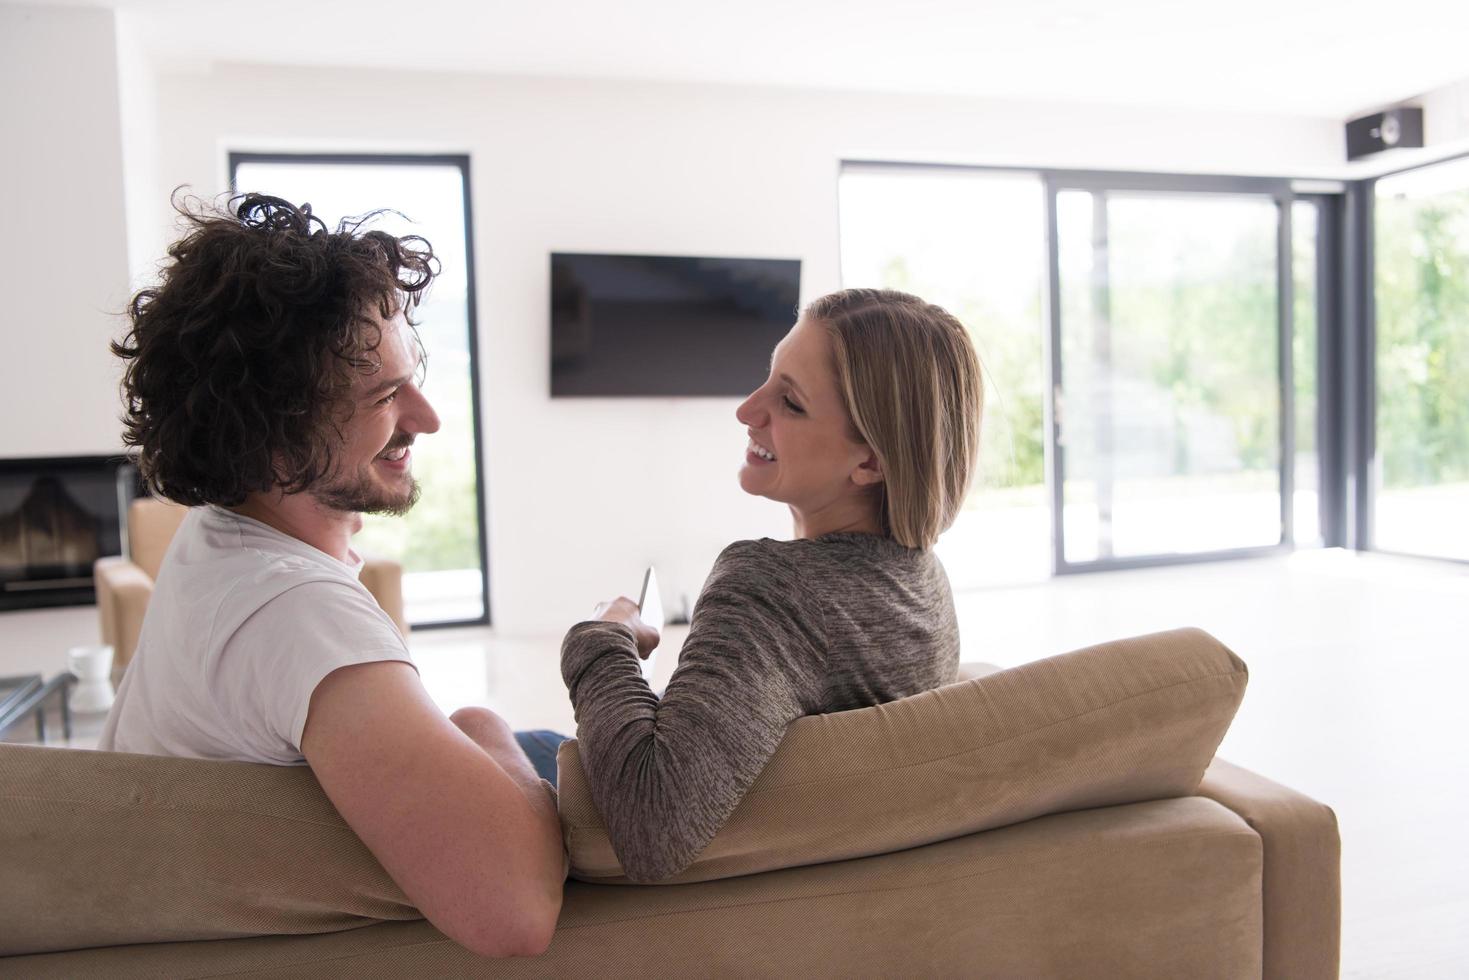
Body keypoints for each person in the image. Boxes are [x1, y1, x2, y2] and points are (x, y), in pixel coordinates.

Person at [99, 194, 564, 957]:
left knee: (547, 741)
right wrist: (480, 730)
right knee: (546, 746)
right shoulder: (296, 612)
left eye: (410, 377)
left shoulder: (216, 536)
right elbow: (514, 911)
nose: (427, 417)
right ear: (271, 440)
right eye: (385, 396)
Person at [561, 287, 983, 882]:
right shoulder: (922, 578)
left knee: (481, 724)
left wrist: (601, 639)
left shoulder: (771, 592)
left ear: (870, 463)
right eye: (768, 377)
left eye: (790, 403)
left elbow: (652, 825)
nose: (747, 410)